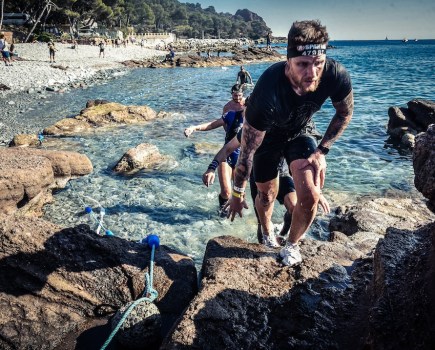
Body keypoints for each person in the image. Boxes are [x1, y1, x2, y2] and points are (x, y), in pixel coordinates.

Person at [226, 20, 354, 266]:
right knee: (266, 195)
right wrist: (237, 193)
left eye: (318, 63)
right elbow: (246, 153)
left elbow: (344, 113)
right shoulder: (267, 93)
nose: (312, 73)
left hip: (300, 130)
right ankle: (266, 232)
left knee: (310, 195)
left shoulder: (335, 75)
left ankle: (292, 245)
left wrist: (322, 150)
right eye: (303, 64)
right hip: (268, 137)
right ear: (288, 61)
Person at [203, 128, 330, 248]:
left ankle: (283, 235)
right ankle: (266, 245)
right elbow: (227, 149)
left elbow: (302, 161)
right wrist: (212, 168)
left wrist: (317, 192)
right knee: (263, 221)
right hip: (259, 176)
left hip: (283, 173)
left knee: (294, 206)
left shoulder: (295, 124)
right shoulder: (255, 124)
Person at [185, 84, 245, 216]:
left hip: (243, 159)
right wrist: (194, 127)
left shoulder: (256, 119)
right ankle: (222, 214)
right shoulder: (229, 112)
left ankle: (237, 218)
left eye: (240, 96)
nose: (238, 98)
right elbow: (213, 124)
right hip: (227, 154)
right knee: (226, 191)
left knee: (239, 194)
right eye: (235, 95)